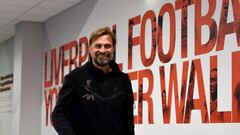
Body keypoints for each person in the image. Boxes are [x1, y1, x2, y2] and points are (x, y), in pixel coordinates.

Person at [52, 27, 135, 135]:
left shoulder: (123, 80)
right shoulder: (75, 77)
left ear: (113, 48)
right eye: (98, 46)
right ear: (90, 49)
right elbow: (58, 114)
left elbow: (128, 120)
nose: (103, 50)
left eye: (107, 46)